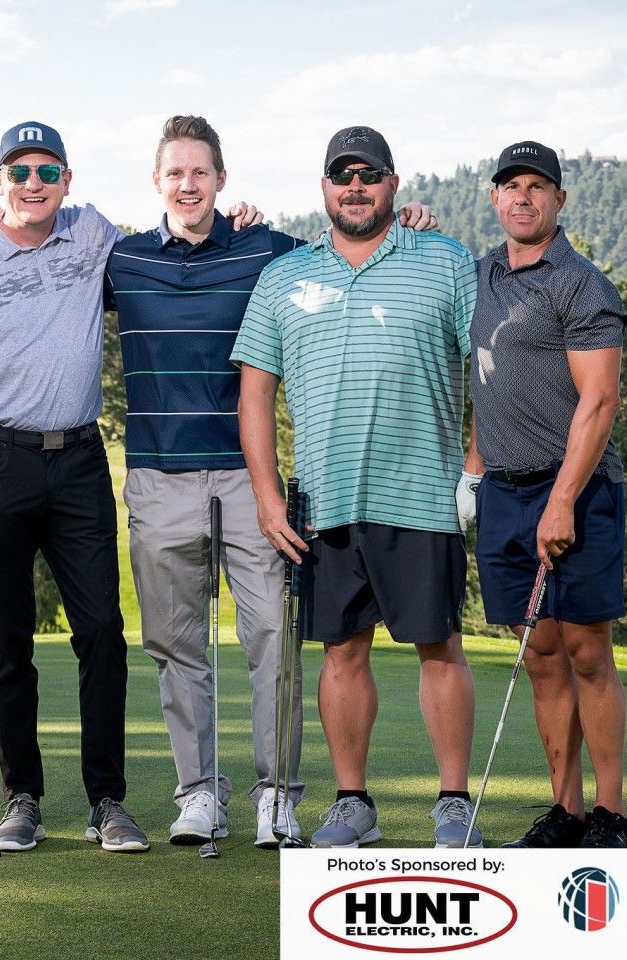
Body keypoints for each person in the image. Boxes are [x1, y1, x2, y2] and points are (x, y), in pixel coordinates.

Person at [108, 116, 438, 849]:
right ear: (156, 183)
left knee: (271, 638)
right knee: (176, 643)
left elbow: (351, 245)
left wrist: (407, 225)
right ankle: (198, 794)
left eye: (200, 172)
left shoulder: (268, 252)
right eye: (174, 174)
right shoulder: (121, 260)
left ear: (222, 180)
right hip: (158, 480)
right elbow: (47, 251)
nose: (187, 185)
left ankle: (277, 795)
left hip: (248, 477)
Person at [0, 120, 163, 854]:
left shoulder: (93, 236)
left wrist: (241, 217)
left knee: (102, 636)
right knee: (10, 641)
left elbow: (167, 243)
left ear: (68, 181)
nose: (32, 184)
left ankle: (107, 801)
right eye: (17, 172)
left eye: (46, 171)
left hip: (79, 461)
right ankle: (23, 798)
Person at [232, 125, 481, 849]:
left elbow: (489, 371)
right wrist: (266, 494)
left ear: (392, 184)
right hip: (324, 498)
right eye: (342, 175)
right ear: (323, 188)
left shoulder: (444, 260)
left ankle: (454, 804)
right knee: (341, 651)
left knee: (439, 647)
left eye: (368, 174)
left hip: (424, 494)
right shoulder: (284, 276)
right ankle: (352, 805)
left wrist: (474, 468)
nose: (355, 186)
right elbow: (254, 393)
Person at [460, 140, 627, 848]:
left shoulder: (579, 283)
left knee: (587, 648)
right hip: (503, 489)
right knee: (540, 651)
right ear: (494, 198)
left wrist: (561, 501)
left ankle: (608, 814)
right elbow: (483, 384)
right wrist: (471, 477)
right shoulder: (477, 276)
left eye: (537, 186)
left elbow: (598, 401)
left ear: (559, 200)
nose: (522, 197)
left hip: (580, 490)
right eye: (510, 186)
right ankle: (563, 811)